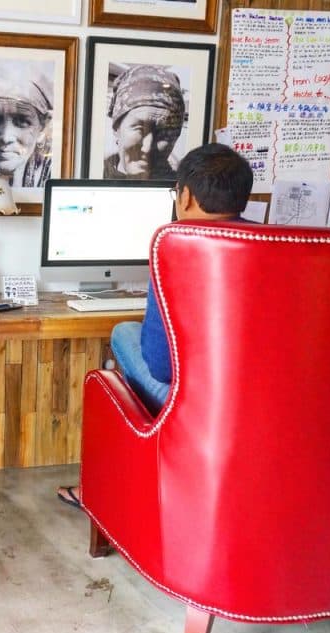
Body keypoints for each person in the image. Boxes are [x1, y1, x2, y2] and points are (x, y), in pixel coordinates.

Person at [58, 143, 254, 509]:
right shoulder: (279, 247)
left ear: (186, 196)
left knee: (123, 334)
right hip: (259, 410)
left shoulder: (176, 250)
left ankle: (118, 482)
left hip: (200, 410)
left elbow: (161, 368)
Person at [103, 64, 186, 180]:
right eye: (139, 129)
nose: (147, 148)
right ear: (116, 128)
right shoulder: (93, 177)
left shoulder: (182, 187)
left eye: (162, 133)